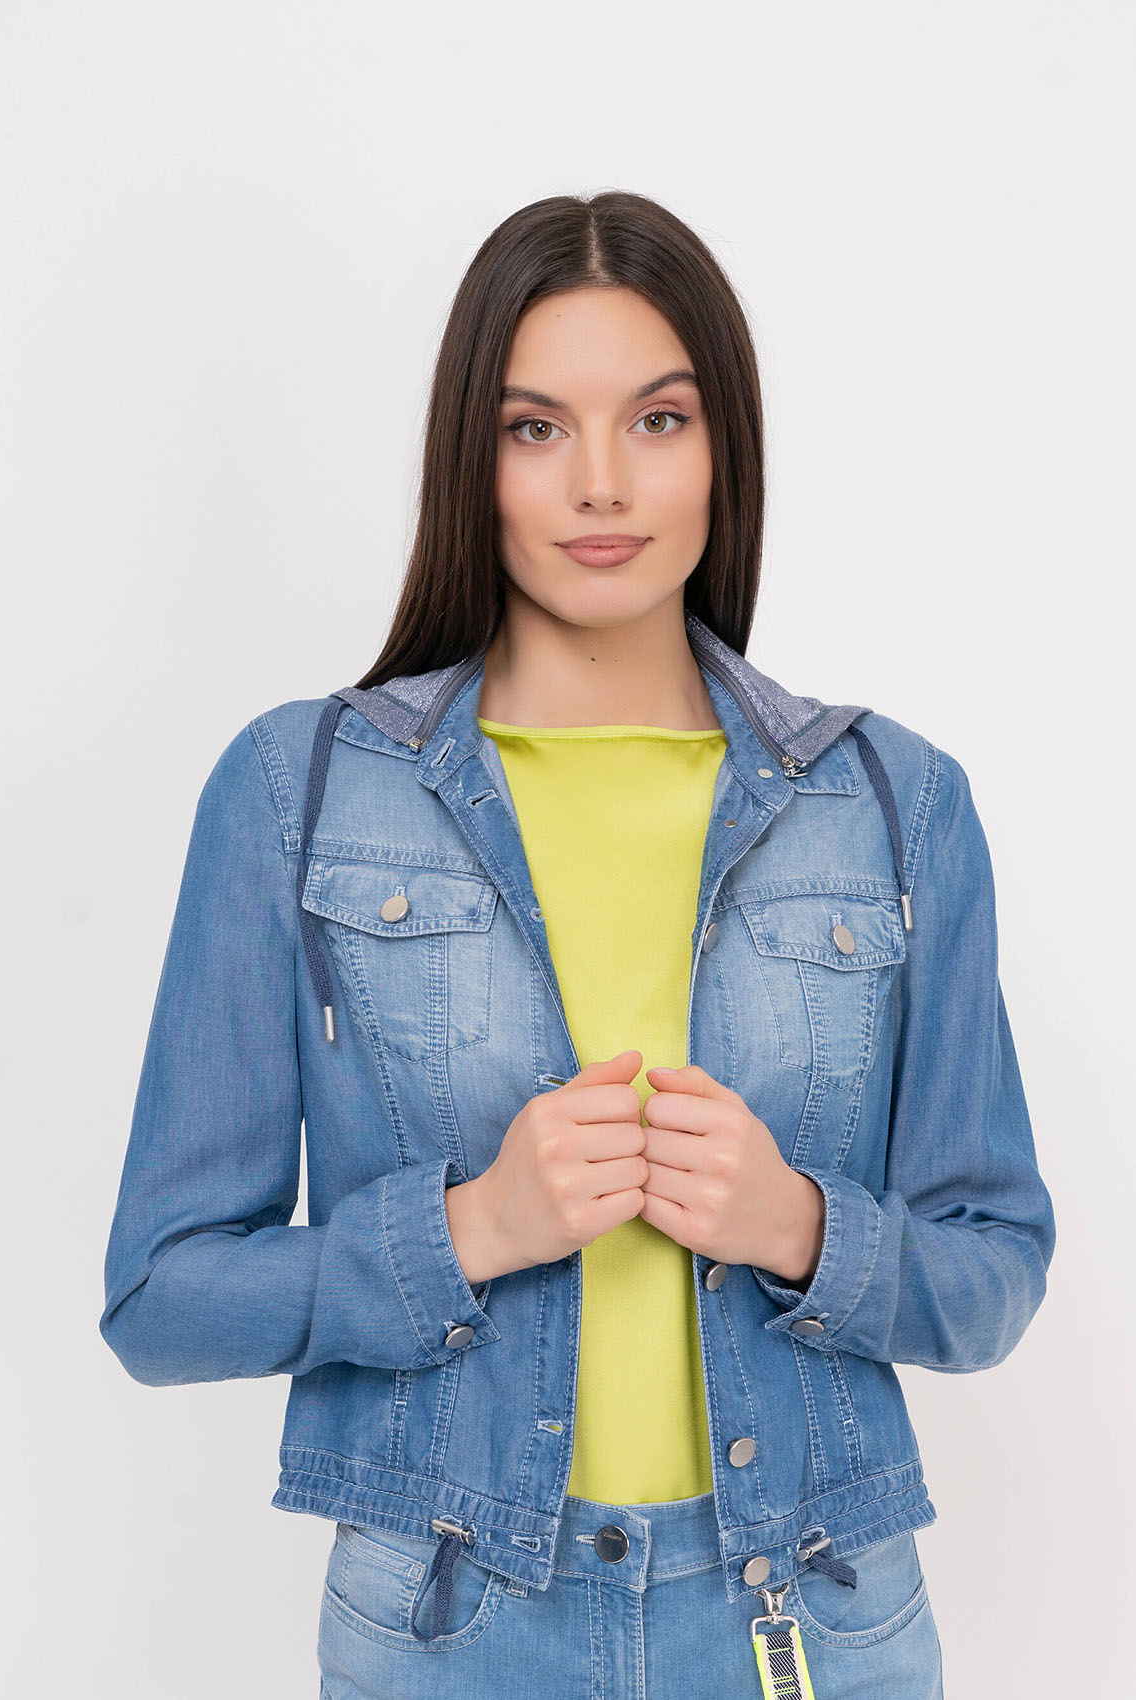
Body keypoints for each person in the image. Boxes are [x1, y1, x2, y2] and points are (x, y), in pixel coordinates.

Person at [99, 190, 1055, 1699]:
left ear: (724, 449)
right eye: (536, 427)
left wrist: (804, 1227)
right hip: (449, 1623)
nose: (601, 483)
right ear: (468, 460)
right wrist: (468, 1231)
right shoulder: (299, 791)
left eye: (658, 421)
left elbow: (996, 1266)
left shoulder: (895, 803)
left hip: (815, 1612)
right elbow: (161, 1297)